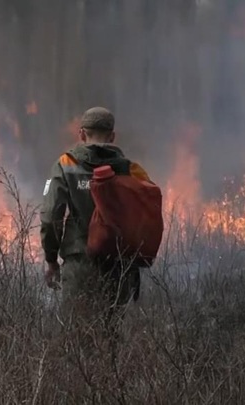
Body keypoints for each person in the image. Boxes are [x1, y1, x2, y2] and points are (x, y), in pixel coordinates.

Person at [40, 107, 153, 337]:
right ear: (112, 136)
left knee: (76, 336)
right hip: (119, 267)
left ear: (82, 134)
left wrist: (51, 259)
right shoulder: (131, 169)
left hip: (79, 264)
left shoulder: (64, 164)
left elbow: (51, 215)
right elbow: (145, 214)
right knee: (112, 335)